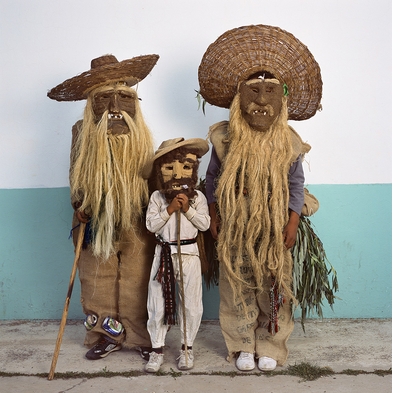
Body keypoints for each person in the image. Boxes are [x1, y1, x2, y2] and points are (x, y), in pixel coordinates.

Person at [197, 25, 322, 371]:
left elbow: (295, 184)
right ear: (239, 98)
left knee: (274, 285)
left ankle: (271, 345)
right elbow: (212, 179)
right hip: (236, 225)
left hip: (274, 225)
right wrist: (213, 214)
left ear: (283, 98)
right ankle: (241, 346)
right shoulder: (224, 139)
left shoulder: (289, 142)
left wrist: (293, 220)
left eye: (270, 92)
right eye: (253, 92)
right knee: (236, 284)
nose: (262, 101)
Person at [47, 54, 159, 360]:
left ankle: (140, 337)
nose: (114, 106)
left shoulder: (141, 133)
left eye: (123, 97)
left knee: (138, 275)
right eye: (104, 98)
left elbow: (150, 173)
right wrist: (79, 200)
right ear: (91, 102)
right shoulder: (83, 131)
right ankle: (105, 335)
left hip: (136, 216)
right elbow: (76, 170)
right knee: (97, 275)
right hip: (95, 217)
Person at [142, 138, 210, 372]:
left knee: (190, 304)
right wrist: (170, 209)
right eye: (170, 168)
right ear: (161, 171)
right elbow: (151, 226)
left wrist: (187, 209)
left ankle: (187, 349)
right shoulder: (157, 198)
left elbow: (204, 224)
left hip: (189, 255)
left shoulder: (198, 198)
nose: (178, 173)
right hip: (163, 255)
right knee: (157, 303)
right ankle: (157, 350)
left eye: (185, 167)